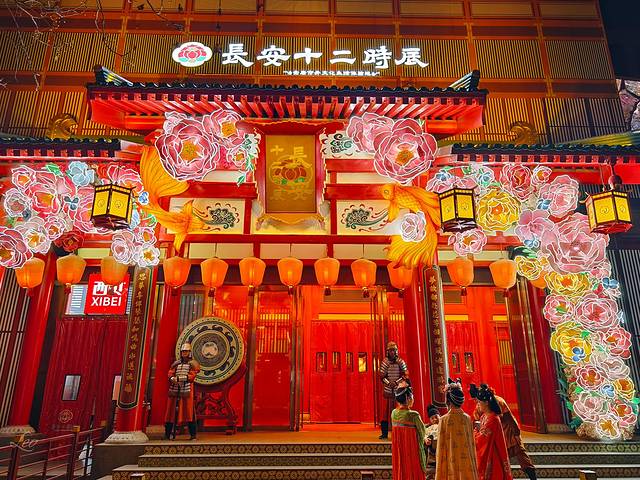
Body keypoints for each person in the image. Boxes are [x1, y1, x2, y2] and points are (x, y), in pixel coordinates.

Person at [470, 384, 536, 480]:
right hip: (495, 435)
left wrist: (516, 432)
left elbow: (509, 418)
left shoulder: (494, 413)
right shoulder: (485, 409)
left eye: (477, 400)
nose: (476, 403)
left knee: (520, 455)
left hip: (508, 432)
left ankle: (532, 476)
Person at [435, 379, 478, 480]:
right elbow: (472, 445)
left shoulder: (444, 420)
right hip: (467, 464)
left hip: (451, 463)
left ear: (448, 401)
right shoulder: (467, 418)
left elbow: (440, 448)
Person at [473, 384, 512, 480]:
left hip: (493, 454)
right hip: (488, 450)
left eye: (479, 402)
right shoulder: (484, 416)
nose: (478, 405)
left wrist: (474, 433)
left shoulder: (493, 419)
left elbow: (481, 439)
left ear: (486, 402)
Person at [164, 343, 200, 440]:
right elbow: (170, 372)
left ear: (190, 352)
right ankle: (167, 434)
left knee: (189, 411)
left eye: (186, 351)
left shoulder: (193, 364)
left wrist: (180, 378)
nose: (184, 353)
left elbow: (192, 376)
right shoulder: (176, 363)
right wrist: (172, 378)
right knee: (170, 412)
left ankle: (193, 435)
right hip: (174, 388)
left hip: (186, 389)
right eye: (183, 351)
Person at [391, 385, 428, 479]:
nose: (413, 399)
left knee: (401, 466)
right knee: (412, 468)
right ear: (408, 398)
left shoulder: (394, 413)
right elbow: (422, 431)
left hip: (399, 449)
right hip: (411, 449)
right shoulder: (413, 415)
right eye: (412, 396)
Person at [380, 341, 409, 439]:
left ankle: (398, 433)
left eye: (394, 350)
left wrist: (396, 383)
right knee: (385, 413)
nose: (392, 352)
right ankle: (384, 433)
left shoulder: (401, 362)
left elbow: (405, 375)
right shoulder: (385, 362)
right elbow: (382, 376)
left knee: (399, 411)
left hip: (399, 389)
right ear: (388, 352)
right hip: (388, 389)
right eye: (391, 350)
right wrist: (389, 383)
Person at [424, 405, 440, 479]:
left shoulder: (444, 424)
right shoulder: (428, 428)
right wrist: (426, 439)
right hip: (431, 445)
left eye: (436, 417)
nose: (435, 419)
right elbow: (424, 435)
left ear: (440, 416)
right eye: (432, 418)